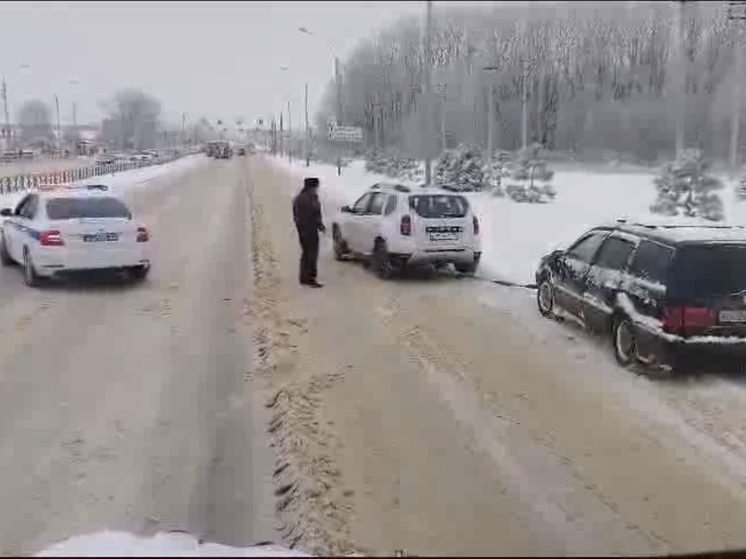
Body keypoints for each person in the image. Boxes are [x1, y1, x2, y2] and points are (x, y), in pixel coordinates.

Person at [292, 177, 326, 288]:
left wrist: (299, 226)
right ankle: (311, 278)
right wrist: (319, 225)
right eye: (316, 186)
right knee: (312, 254)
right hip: (310, 230)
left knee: (305, 253)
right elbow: (315, 213)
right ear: (312, 187)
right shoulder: (311, 198)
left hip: (302, 229)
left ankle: (303, 277)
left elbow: (296, 215)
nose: (317, 189)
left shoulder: (298, 198)